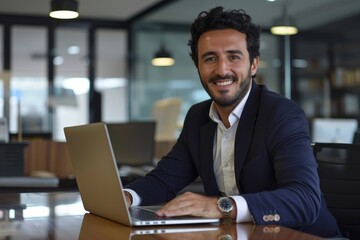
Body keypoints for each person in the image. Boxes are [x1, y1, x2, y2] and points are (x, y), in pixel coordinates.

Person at [125, 6, 341, 238]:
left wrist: (220, 206)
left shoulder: (281, 114)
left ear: (254, 65)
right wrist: (125, 197)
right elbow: (164, 179)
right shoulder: (198, 117)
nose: (221, 70)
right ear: (198, 67)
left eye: (233, 57)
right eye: (210, 59)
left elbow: (305, 200)